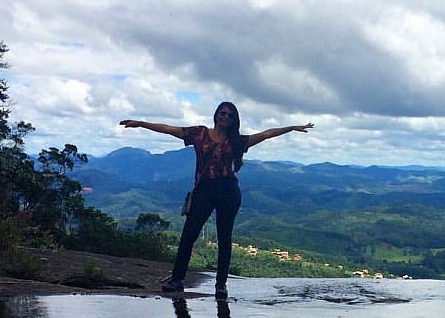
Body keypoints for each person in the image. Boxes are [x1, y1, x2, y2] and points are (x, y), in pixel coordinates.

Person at [120, 102, 313, 298]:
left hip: (228, 190)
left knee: (224, 238)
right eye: (222, 113)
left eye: (230, 115)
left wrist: (291, 128)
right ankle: (177, 280)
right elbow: (170, 130)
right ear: (216, 115)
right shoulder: (200, 133)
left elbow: (265, 135)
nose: (225, 117)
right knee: (189, 234)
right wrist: (142, 123)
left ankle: (221, 285)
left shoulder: (236, 141)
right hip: (204, 189)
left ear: (234, 120)